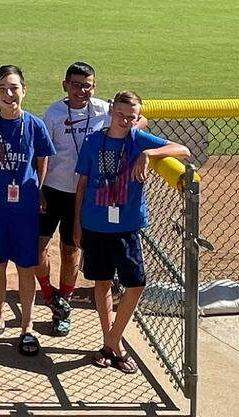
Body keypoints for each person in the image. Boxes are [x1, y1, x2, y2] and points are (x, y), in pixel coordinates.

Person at [75, 91, 190, 374]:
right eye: (121, 114)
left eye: (132, 117)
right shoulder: (93, 142)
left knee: (136, 283)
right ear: (111, 111)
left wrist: (150, 154)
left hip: (127, 226)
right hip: (95, 223)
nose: (125, 121)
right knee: (101, 283)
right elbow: (82, 185)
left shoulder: (139, 141)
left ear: (138, 117)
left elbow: (183, 150)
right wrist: (77, 224)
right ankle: (112, 344)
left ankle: (111, 341)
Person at [41, 62, 146, 336]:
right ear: (65, 85)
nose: (81, 90)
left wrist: (143, 147)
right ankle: (48, 292)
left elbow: (138, 119)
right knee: (37, 248)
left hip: (88, 193)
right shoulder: (53, 112)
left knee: (70, 248)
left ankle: (63, 304)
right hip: (54, 187)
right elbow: (42, 154)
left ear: (94, 87)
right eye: (75, 84)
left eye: (87, 85)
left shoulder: (103, 108)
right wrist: (39, 188)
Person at [0, 65, 55, 356]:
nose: (9, 94)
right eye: (2, 89)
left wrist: (35, 188)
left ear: (24, 90)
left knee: (24, 266)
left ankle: (28, 326)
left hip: (25, 209)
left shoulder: (34, 125)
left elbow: (42, 161)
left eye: (14, 88)